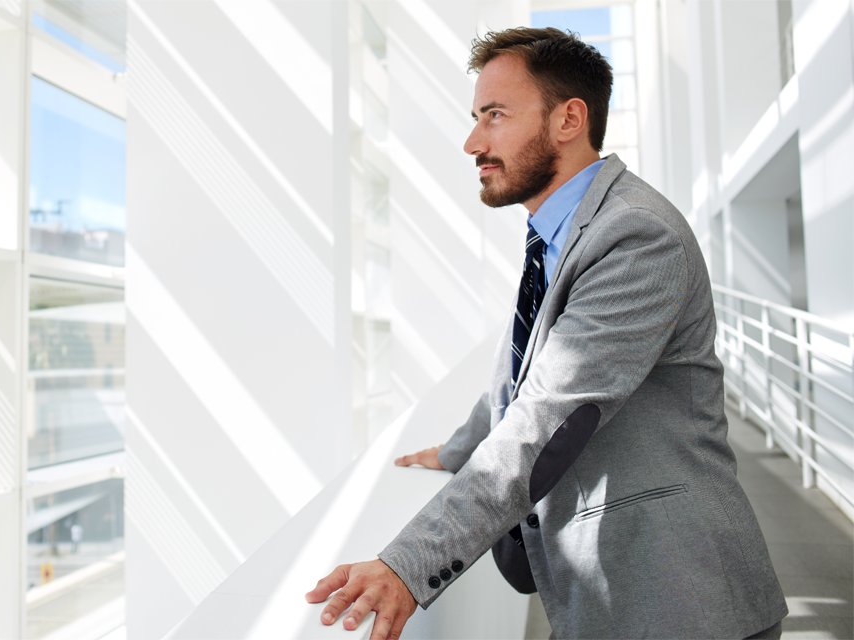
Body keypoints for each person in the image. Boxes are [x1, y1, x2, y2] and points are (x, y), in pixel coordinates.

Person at [306, 26, 787, 639]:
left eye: (495, 116)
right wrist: (455, 450)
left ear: (568, 120)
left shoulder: (637, 235)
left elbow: (549, 416)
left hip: (678, 597)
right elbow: (526, 372)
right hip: (606, 597)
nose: (472, 141)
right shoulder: (561, 234)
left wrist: (407, 565)